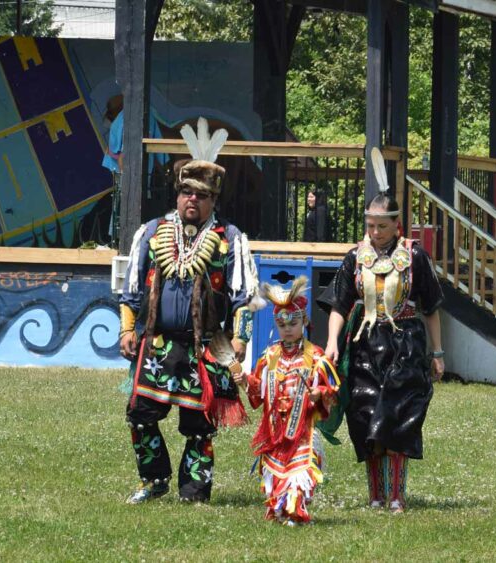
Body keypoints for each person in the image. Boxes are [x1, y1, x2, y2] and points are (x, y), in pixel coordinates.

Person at [118, 117, 261, 505]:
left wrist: (241, 337)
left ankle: (194, 492)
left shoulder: (229, 239)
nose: (191, 201)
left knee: (199, 425)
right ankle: (154, 479)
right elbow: (130, 287)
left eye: (200, 195)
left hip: (207, 346)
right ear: (177, 195)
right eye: (185, 193)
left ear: (213, 200)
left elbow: (244, 295)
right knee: (140, 413)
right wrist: (127, 329)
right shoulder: (151, 232)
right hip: (158, 342)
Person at [318, 147, 445, 514]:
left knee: (399, 418)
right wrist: (331, 344)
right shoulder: (354, 256)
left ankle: (397, 496)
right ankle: (375, 494)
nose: (375, 233)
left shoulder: (414, 257)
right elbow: (339, 304)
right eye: (370, 226)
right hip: (364, 343)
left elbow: (431, 308)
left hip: (405, 343)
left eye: (382, 226)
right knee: (365, 416)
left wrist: (437, 354)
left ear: (396, 225)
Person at [233, 276, 339, 526]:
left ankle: (296, 509)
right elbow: (258, 390)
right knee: (277, 475)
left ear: (305, 321)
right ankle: (281, 509)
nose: (287, 328)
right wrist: (244, 381)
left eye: (293, 322)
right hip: (275, 430)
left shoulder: (316, 357)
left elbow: (332, 389)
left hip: (302, 431)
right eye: (281, 323)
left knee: (300, 474)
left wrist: (319, 393)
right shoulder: (269, 356)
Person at [101, 94, 124, 247]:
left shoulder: (123, 120)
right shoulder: (121, 121)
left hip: (123, 174)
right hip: (122, 174)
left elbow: (122, 156)